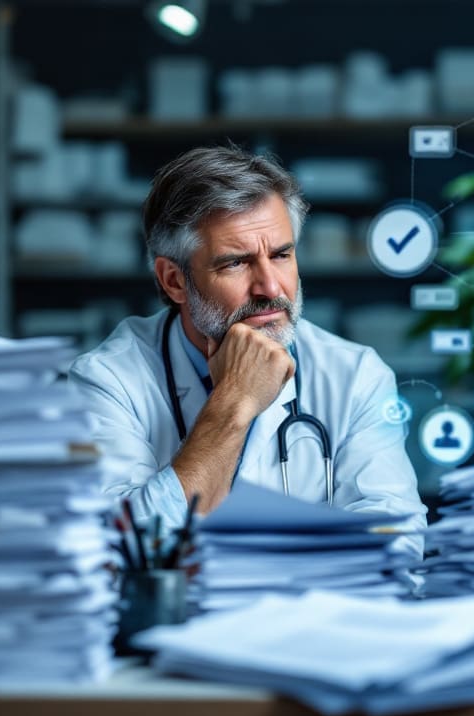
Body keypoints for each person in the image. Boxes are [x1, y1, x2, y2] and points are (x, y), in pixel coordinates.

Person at [70, 146, 425, 561]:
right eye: (236, 263)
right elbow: (117, 553)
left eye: (281, 255)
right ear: (174, 281)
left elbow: (395, 545)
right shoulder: (106, 380)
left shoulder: (355, 375)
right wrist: (233, 403)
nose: (271, 288)